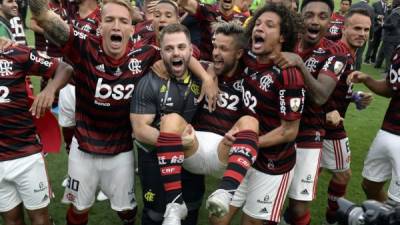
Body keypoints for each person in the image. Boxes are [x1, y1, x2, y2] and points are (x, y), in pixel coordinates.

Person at [28, 0, 217, 223]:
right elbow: (42, 15)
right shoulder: (84, 45)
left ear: (131, 28)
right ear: (99, 26)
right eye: (109, 20)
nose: (116, 26)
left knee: (126, 210)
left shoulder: (146, 53)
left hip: (121, 150)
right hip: (83, 147)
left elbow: (183, 55)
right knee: (79, 208)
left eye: (123, 21)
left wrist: (206, 76)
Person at [210, 4, 306, 225]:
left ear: (282, 36)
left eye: (269, 25)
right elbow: (217, 63)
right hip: (245, 157)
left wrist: (249, 144)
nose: (259, 27)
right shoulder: (249, 59)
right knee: (217, 219)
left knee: (250, 223)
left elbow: (289, 131)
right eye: (258, 23)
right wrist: (209, 77)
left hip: (273, 164)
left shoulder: (289, 75)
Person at [274, 0, 352, 224]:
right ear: (300, 17)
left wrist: (298, 63)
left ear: (331, 20)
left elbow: (320, 96)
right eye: (309, 15)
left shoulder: (336, 52)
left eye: (322, 16)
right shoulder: (287, 41)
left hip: (309, 134)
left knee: (298, 207)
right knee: (268, 199)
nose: (315, 21)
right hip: (277, 127)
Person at [0, 43, 73, 225]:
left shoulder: (15, 53)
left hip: (27, 156)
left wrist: (49, 90)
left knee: (40, 220)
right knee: (11, 221)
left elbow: (64, 68)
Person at [321, 8, 373, 225]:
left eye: (367, 29)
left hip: (325, 125)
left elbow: (337, 87)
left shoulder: (348, 53)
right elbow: (316, 86)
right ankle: (333, 218)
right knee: (343, 174)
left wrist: (355, 96)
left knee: (311, 173)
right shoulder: (339, 54)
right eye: (357, 28)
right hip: (328, 126)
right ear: (344, 28)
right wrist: (326, 112)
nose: (362, 33)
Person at [348, 44, 400, 204]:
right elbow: (391, 88)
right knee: (370, 185)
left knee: (397, 201)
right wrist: (367, 79)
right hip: (388, 129)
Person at [178, 0, 248, 60]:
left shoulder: (244, 19)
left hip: (230, 67)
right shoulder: (207, 10)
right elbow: (185, 3)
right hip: (206, 62)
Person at [349, 0, 375, 70]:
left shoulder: (353, 5)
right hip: (363, 33)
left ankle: (348, 67)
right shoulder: (370, 8)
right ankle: (357, 70)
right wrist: (371, 36)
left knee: (350, 51)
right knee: (359, 53)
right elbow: (371, 24)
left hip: (352, 32)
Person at [379, 0, 400, 73]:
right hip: (396, 37)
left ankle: (388, 71)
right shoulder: (395, 11)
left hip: (391, 37)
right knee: (386, 52)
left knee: (389, 55)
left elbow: (393, 25)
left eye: (393, 2)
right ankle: (378, 65)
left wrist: (383, 25)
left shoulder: (396, 13)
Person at [364, 0, 387, 64]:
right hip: (375, 28)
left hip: (382, 29)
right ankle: (366, 59)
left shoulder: (388, 6)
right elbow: (371, 14)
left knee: (377, 45)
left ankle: (373, 59)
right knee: (371, 44)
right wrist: (378, 16)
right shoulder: (376, 4)